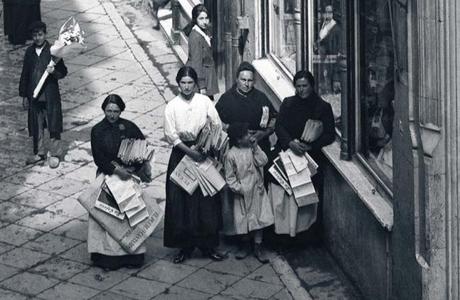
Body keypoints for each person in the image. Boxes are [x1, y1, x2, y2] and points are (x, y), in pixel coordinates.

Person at [163, 66, 226, 264]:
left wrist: (207, 147)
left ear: (196, 84)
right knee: (181, 200)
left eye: (190, 83)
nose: (187, 87)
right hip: (182, 153)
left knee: (206, 200)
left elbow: (217, 124)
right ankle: (184, 247)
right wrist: (190, 152)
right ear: (178, 83)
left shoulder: (204, 101)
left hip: (204, 150)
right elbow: (171, 135)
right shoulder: (172, 106)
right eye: (183, 83)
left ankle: (208, 245)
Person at [270, 70, 335, 239]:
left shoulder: (323, 107)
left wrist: (310, 146)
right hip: (287, 154)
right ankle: (283, 233)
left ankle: (304, 236)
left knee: (306, 199)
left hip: (309, 159)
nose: (301, 90)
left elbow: (330, 134)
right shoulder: (288, 103)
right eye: (298, 86)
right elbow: (279, 126)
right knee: (284, 197)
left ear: (312, 86)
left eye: (304, 86)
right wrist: (290, 142)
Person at [89, 94, 150, 270]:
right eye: (109, 111)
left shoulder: (130, 127)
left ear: (121, 110)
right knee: (108, 218)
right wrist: (116, 170)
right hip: (108, 176)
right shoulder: (97, 130)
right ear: (104, 110)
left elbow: (142, 147)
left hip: (128, 176)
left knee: (130, 216)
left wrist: (136, 166)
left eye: (115, 111)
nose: (112, 115)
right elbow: (98, 158)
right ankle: (107, 257)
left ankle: (132, 256)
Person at [19, 21, 67, 168]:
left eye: (40, 34)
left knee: (53, 125)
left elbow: (63, 71)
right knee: (36, 126)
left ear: (45, 34)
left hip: (50, 96)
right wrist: (24, 95)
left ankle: (56, 154)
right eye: (35, 35)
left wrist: (54, 72)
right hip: (34, 96)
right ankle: (39, 153)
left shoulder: (53, 51)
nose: (38, 38)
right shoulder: (29, 52)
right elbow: (25, 74)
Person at [224, 122, 274, 263]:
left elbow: (263, 161)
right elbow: (230, 178)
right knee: (243, 220)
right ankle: (245, 245)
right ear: (239, 139)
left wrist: (255, 147)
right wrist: (240, 189)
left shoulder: (252, 149)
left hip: (257, 191)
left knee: (259, 219)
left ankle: (258, 246)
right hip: (242, 194)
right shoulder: (231, 155)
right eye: (246, 134)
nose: (250, 136)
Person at [216, 61, 276, 165]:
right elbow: (216, 120)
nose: (246, 84)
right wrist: (230, 129)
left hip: (259, 146)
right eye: (243, 80)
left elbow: (274, 118)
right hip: (235, 148)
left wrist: (264, 133)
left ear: (254, 81)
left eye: (250, 80)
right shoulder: (226, 98)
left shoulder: (261, 97)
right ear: (237, 79)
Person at [184, 4, 219, 99]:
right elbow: (196, 63)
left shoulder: (204, 32)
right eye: (201, 18)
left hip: (207, 75)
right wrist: (202, 86)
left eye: (206, 18)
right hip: (200, 77)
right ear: (195, 19)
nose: (204, 22)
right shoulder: (195, 37)